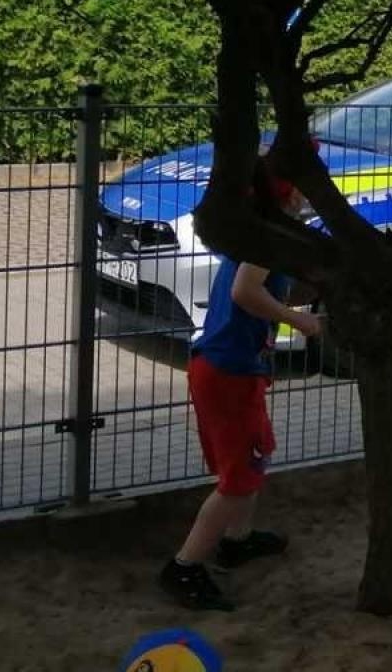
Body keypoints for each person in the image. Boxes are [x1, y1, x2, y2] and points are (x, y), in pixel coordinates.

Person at [160, 158, 323, 612]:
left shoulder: (259, 233)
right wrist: (300, 321)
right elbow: (245, 292)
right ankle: (185, 567)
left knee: (255, 455)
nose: (309, 198)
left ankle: (238, 539)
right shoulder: (266, 239)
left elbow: (264, 288)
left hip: (231, 368)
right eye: (303, 189)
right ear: (287, 196)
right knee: (238, 477)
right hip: (227, 370)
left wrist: (301, 295)